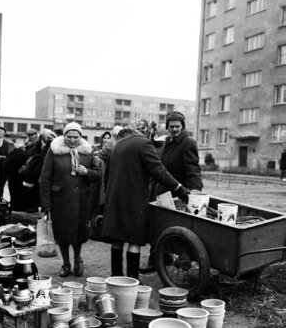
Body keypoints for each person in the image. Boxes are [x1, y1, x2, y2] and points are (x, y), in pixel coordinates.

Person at [101, 120, 189, 279]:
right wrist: (179, 189)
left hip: (115, 199)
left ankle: (116, 278)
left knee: (117, 239)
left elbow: (107, 176)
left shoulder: (118, 145)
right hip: (134, 200)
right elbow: (159, 171)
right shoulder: (143, 144)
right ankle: (133, 279)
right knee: (135, 240)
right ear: (149, 132)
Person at [140, 111, 203, 273]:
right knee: (157, 224)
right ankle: (160, 259)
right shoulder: (168, 140)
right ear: (167, 127)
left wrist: (194, 190)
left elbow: (193, 168)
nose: (174, 129)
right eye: (171, 126)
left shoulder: (188, 142)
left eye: (177, 126)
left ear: (182, 126)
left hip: (175, 191)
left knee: (168, 225)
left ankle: (162, 260)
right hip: (160, 189)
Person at [40, 122, 101, 277]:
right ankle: (66, 263)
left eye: (76, 137)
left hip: (81, 200)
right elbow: (45, 179)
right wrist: (46, 205)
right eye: (69, 137)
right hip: (60, 201)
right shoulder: (54, 152)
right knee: (62, 234)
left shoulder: (88, 152)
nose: (72, 140)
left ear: (81, 137)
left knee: (79, 233)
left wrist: (87, 172)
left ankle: (77, 260)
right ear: (64, 136)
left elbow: (98, 175)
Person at [0, 126, 15, 197]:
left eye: (1, 131)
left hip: (3, 166)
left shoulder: (6, 143)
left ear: (4, 133)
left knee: (2, 182)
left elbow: (8, 154)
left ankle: (0, 197)